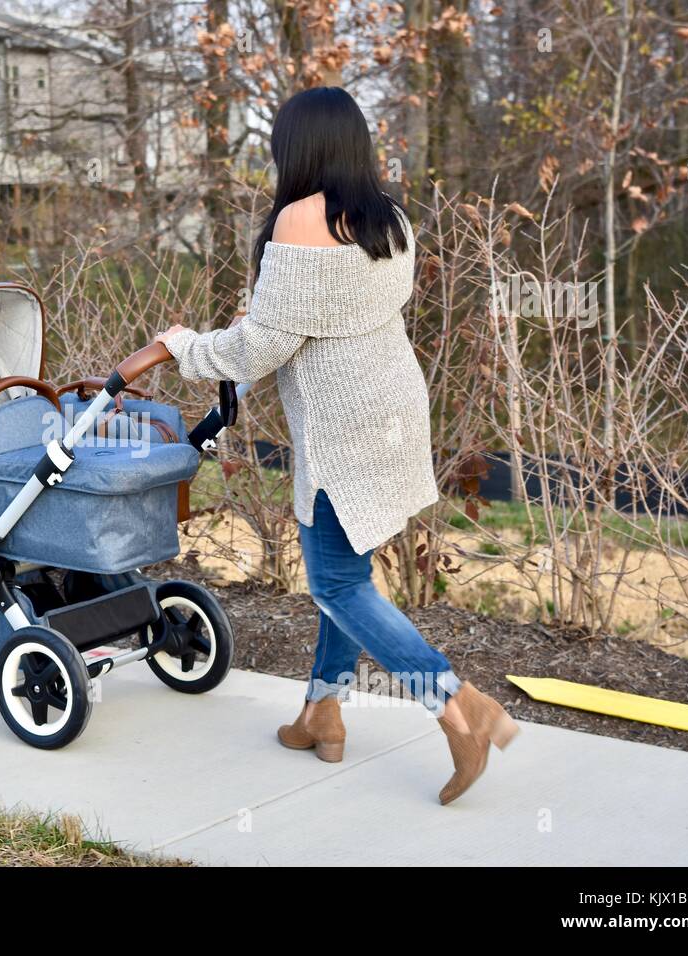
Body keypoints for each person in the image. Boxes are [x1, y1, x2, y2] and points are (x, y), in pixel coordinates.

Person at [156, 87, 518, 805]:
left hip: (341, 432)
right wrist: (273, 311)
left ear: (299, 147)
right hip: (392, 413)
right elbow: (325, 312)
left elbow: (262, 345)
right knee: (344, 576)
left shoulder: (298, 217)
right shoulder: (390, 218)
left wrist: (183, 347)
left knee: (335, 583)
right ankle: (323, 715)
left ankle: (459, 708)